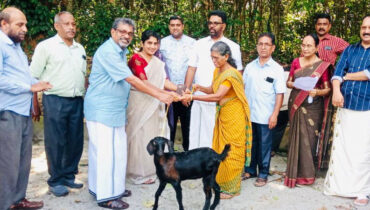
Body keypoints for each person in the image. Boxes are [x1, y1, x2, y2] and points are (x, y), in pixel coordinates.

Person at [84, 18, 174, 209]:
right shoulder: (109, 52)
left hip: (115, 110)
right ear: (113, 32)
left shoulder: (121, 52)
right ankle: (106, 196)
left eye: (130, 33)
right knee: (105, 153)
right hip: (102, 109)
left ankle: (111, 188)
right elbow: (132, 80)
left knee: (117, 151)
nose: (126, 35)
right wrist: (160, 94)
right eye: (122, 31)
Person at [182, 41, 252, 199]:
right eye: (211, 58)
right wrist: (199, 87)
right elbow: (213, 90)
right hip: (223, 115)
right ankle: (221, 181)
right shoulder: (218, 71)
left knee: (232, 150)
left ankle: (232, 188)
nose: (214, 61)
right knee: (221, 148)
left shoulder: (231, 74)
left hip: (234, 116)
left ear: (226, 56)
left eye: (216, 58)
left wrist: (193, 96)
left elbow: (218, 96)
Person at [0, 7, 52, 210]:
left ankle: (18, 199)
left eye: (25, 24)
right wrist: (29, 87)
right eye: (19, 24)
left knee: (23, 161)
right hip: (7, 112)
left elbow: (24, 75)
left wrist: (38, 84)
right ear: (3, 24)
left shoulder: (16, 47)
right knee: (7, 164)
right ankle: (4, 204)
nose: (25, 29)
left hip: (22, 111)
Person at [30, 11, 86, 197]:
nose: (71, 27)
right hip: (55, 100)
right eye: (66, 24)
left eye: (73, 23)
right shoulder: (46, 47)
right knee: (56, 141)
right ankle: (55, 180)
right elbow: (33, 76)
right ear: (56, 26)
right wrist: (35, 104)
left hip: (77, 100)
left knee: (75, 140)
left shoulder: (79, 48)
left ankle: (69, 174)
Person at [324, 15, 370, 206]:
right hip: (345, 106)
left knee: (363, 151)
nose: (366, 30)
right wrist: (336, 90)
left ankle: (362, 191)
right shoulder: (350, 49)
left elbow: (368, 74)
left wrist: (348, 76)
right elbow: (337, 73)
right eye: (363, 27)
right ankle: (340, 187)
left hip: (366, 108)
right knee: (344, 149)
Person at [184, 10, 243, 150]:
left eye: (216, 23)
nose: (212, 26)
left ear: (224, 26)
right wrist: (187, 91)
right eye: (210, 23)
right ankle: (197, 167)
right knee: (196, 134)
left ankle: (212, 168)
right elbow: (192, 68)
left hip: (220, 101)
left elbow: (238, 75)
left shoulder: (233, 47)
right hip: (199, 98)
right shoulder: (199, 44)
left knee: (212, 136)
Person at [126, 30, 178, 185]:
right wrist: (162, 94)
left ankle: (153, 169)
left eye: (156, 43)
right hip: (139, 100)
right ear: (142, 43)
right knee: (140, 135)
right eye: (149, 43)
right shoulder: (136, 59)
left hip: (155, 101)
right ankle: (138, 173)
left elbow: (163, 82)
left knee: (153, 133)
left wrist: (179, 89)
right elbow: (144, 83)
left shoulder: (157, 62)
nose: (152, 46)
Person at [284, 34, 332, 188]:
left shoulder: (322, 65)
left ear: (317, 48)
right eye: (303, 45)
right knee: (295, 137)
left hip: (313, 107)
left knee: (309, 140)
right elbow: (288, 82)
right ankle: (293, 173)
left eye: (309, 46)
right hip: (296, 103)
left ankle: (307, 175)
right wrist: (296, 84)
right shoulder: (296, 62)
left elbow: (327, 89)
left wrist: (316, 92)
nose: (305, 48)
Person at [242, 33, 286, 187]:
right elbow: (243, 88)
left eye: (267, 44)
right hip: (249, 114)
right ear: (257, 46)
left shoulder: (277, 69)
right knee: (250, 144)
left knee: (265, 146)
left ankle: (263, 173)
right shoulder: (249, 67)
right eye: (260, 43)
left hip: (266, 115)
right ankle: (250, 170)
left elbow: (280, 94)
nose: (263, 47)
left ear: (273, 48)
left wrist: (275, 114)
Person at [160, 15, 195, 151]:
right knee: (170, 126)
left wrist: (186, 92)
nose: (175, 27)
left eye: (178, 25)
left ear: (183, 26)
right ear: (169, 27)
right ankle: (170, 155)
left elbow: (193, 67)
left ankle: (188, 154)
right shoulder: (162, 43)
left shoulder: (192, 43)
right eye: (172, 25)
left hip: (186, 92)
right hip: (169, 92)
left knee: (187, 126)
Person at [271, 66, 291, 156]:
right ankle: (273, 149)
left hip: (274, 106)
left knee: (269, 128)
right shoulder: (292, 77)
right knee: (279, 129)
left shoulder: (277, 75)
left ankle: (266, 148)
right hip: (285, 107)